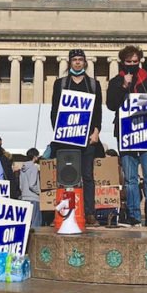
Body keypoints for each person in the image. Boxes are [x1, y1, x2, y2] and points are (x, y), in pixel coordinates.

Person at [106, 45, 147, 227]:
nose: (132, 64)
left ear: (140, 61)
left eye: (135, 61)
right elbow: (111, 104)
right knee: (131, 178)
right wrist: (124, 85)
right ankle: (133, 215)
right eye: (128, 62)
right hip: (126, 135)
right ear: (122, 63)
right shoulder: (116, 81)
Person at [50, 49, 103, 227]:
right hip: (66, 139)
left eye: (81, 60)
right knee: (66, 176)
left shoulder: (93, 84)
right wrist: (59, 131)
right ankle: (63, 211)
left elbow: (98, 112)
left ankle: (89, 213)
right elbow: (54, 111)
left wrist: (96, 131)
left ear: (85, 62)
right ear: (70, 62)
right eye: (75, 60)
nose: (78, 63)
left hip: (87, 139)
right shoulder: (60, 84)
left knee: (87, 176)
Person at [20, 148, 42, 228]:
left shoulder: (23, 168)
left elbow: (21, 185)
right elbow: (32, 184)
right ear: (35, 157)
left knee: (26, 224)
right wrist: (39, 192)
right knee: (35, 225)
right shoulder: (33, 167)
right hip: (33, 198)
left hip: (24, 197)